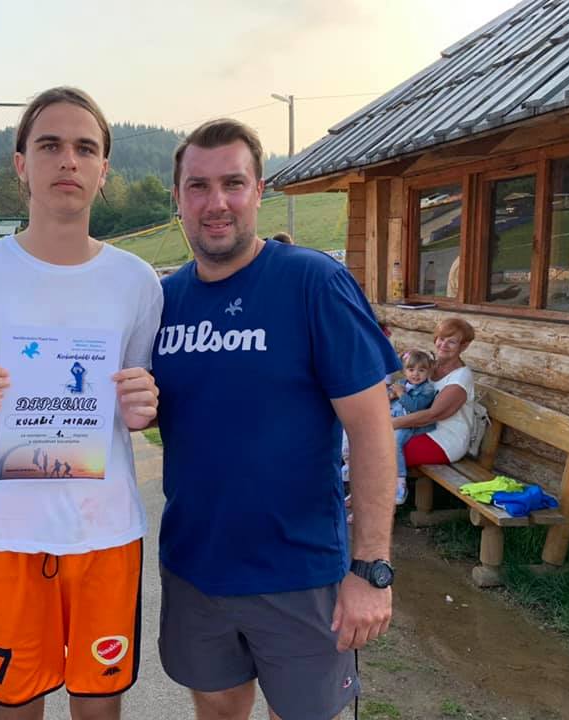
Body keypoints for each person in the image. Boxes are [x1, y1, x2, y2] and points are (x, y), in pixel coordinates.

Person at [0, 87, 161, 720]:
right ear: (21, 164)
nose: (68, 160)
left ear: (104, 170)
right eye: (50, 145)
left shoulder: (136, 280)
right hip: (6, 532)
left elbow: (136, 400)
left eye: (85, 148)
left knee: (98, 702)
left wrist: (144, 410)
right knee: (17, 702)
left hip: (104, 529)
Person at [150, 119, 400, 720]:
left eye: (233, 183)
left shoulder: (313, 282)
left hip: (299, 573)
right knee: (216, 711)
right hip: (194, 569)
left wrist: (370, 568)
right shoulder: (165, 299)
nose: (216, 202)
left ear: (259, 191)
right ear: (178, 197)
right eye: (198, 186)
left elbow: (372, 431)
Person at [394, 318, 476, 472]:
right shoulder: (429, 366)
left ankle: (396, 486)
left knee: (382, 450)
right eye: (441, 339)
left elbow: (432, 415)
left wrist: (389, 424)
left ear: (464, 346)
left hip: (444, 439)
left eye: (452, 342)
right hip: (419, 428)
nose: (444, 345)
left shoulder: (460, 379)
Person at [389, 349, 436, 505]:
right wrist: (391, 395)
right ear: (404, 371)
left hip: (410, 425)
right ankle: (354, 467)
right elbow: (387, 398)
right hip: (395, 419)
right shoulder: (401, 383)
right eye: (411, 369)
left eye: (421, 370)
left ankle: (400, 481)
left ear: (429, 371)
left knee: (394, 443)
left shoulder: (428, 389)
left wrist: (401, 394)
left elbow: (415, 407)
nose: (415, 374)